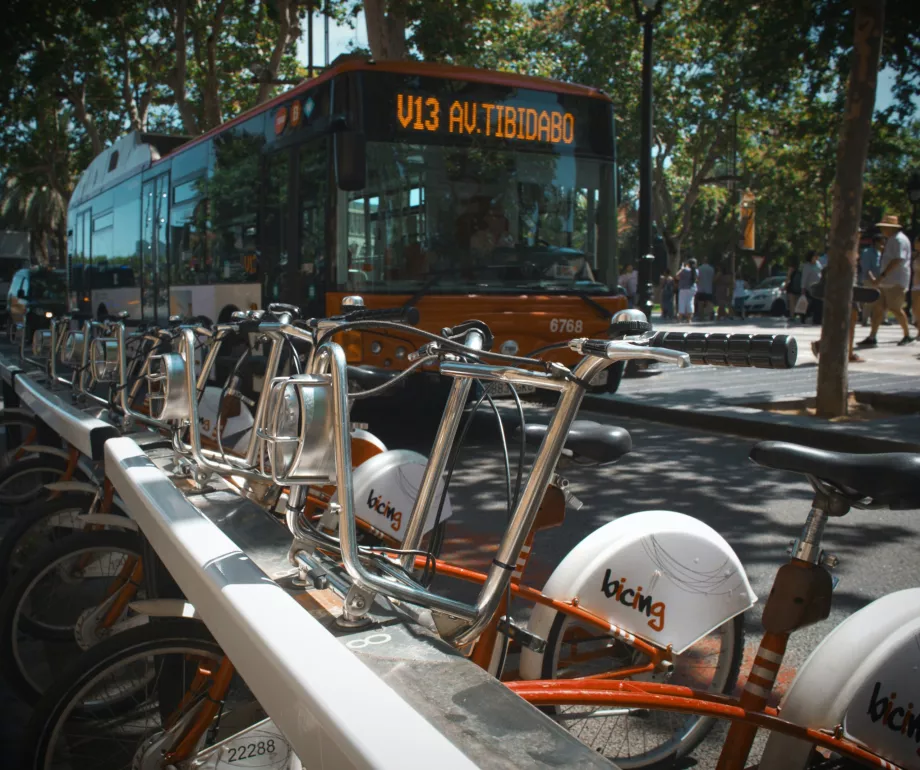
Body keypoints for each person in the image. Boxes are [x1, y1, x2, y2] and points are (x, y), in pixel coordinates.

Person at [859, 215, 913, 347]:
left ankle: (907, 335)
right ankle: (872, 336)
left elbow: (898, 260)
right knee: (878, 308)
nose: (882, 229)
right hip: (887, 281)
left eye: (884, 227)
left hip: (895, 281)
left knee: (895, 308)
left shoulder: (899, 240)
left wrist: (882, 275)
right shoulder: (892, 239)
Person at [859, 232, 884, 325]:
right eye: (881, 242)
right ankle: (865, 319)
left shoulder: (880, 253)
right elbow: (866, 268)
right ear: (876, 242)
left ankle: (881, 318)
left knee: (880, 300)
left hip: (879, 279)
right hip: (869, 279)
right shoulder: (867, 252)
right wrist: (872, 279)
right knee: (869, 300)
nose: (883, 245)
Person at [800, 251, 822, 324]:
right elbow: (804, 278)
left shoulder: (818, 264)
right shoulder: (807, 266)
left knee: (818, 304)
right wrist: (803, 289)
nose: (816, 258)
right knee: (810, 304)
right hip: (810, 289)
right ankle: (804, 317)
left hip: (818, 288)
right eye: (814, 256)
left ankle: (817, 319)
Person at [677, 258, 698, 323]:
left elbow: (677, 276)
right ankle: (689, 319)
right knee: (690, 302)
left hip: (683, 288)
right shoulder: (696, 271)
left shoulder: (684, 270)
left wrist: (682, 268)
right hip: (692, 288)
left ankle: (680, 319)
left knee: (682, 303)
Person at [911, 234, 920, 339]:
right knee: (915, 309)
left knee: (918, 309)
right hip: (915, 283)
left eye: (917, 242)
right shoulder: (916, 255)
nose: (915, 244)